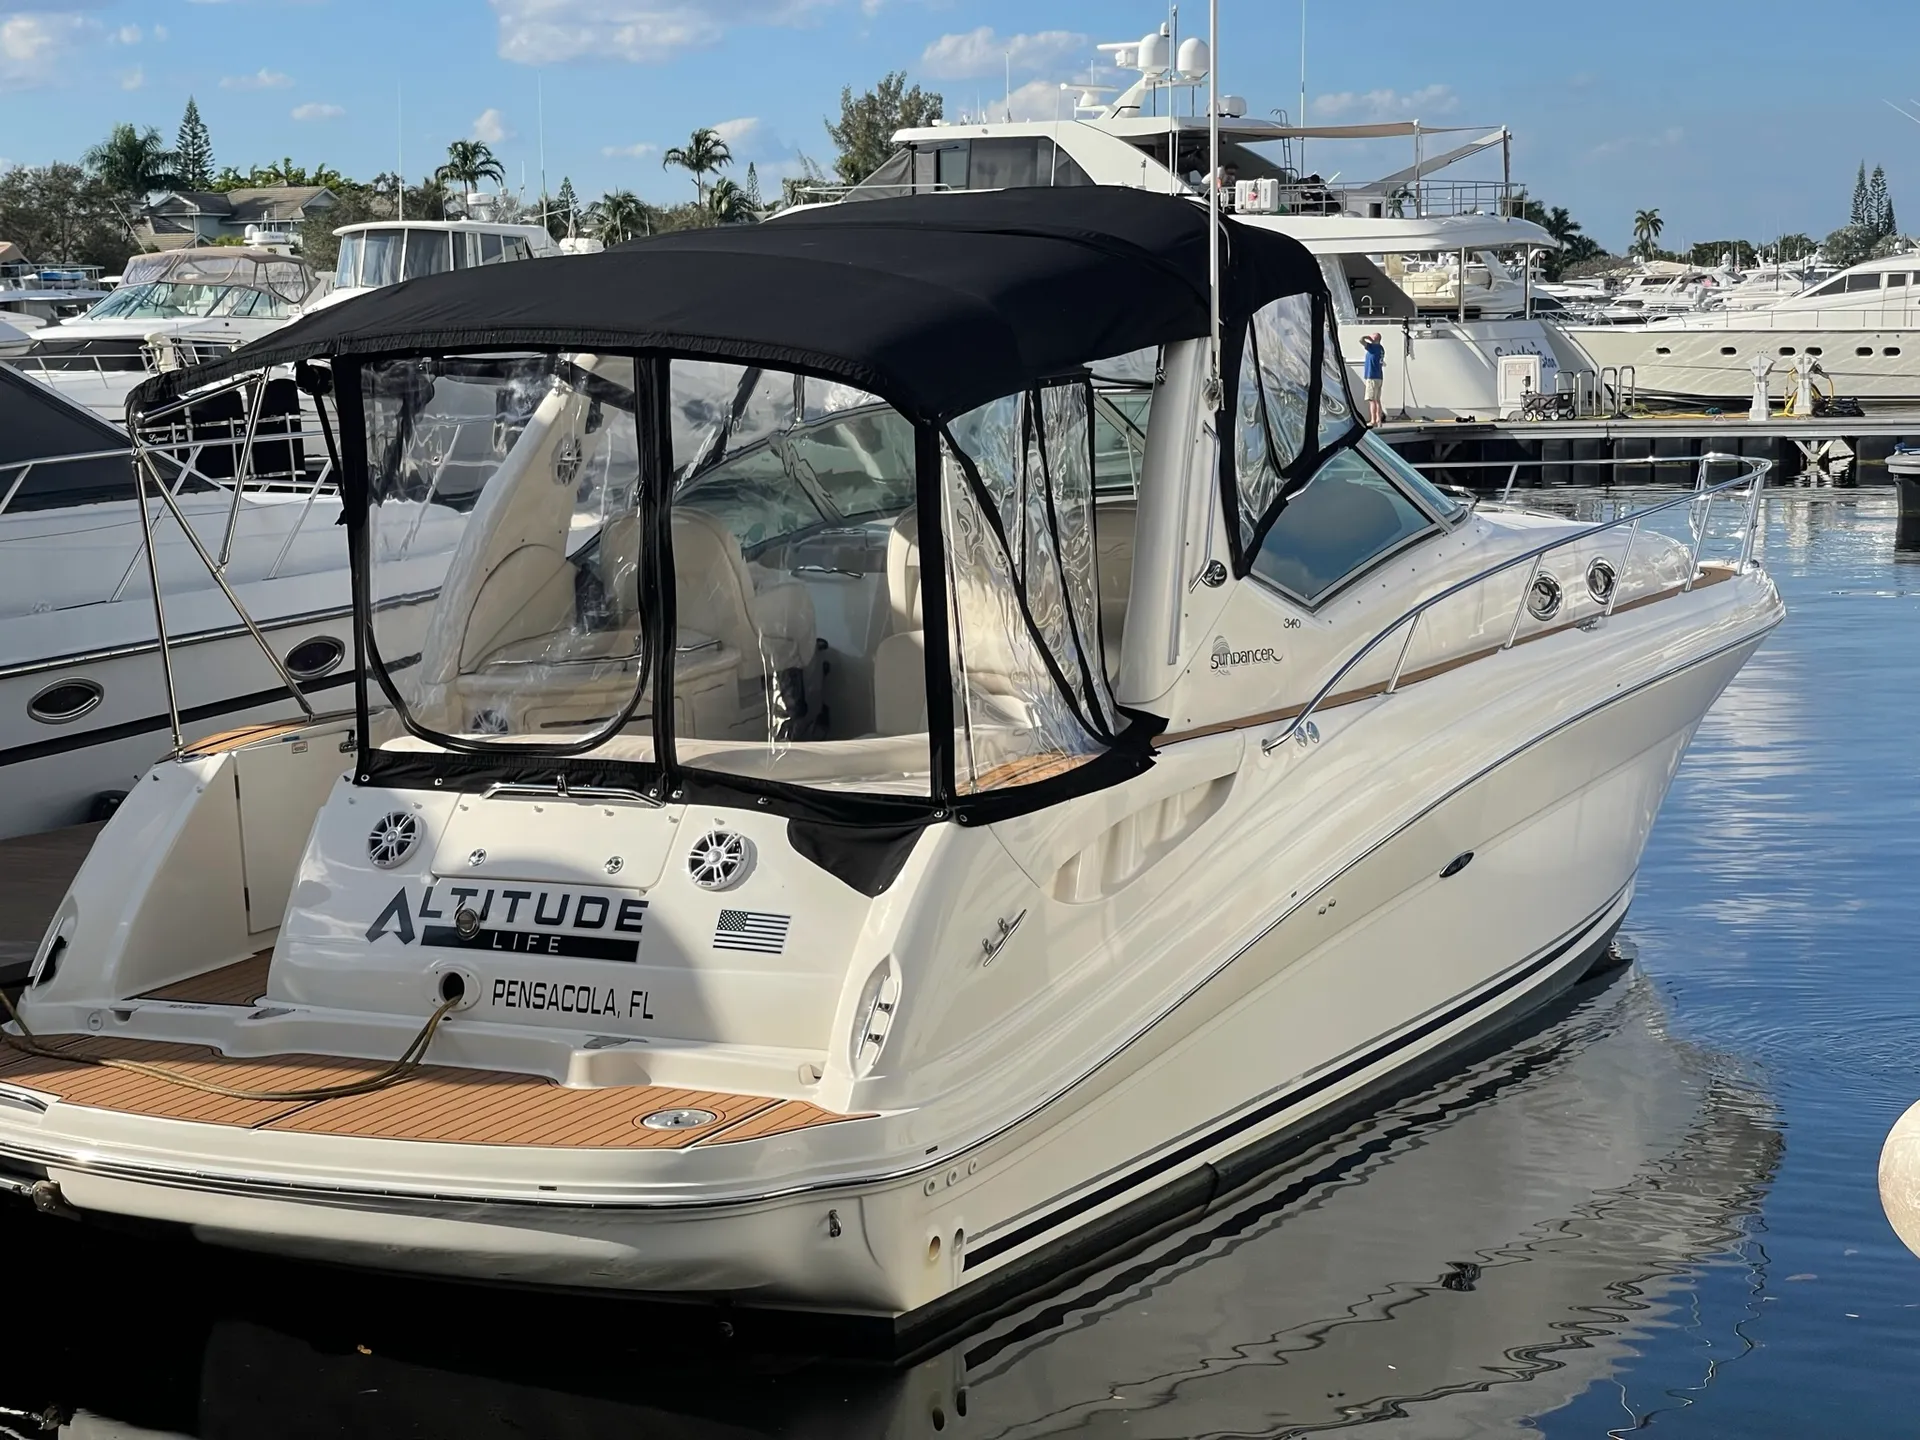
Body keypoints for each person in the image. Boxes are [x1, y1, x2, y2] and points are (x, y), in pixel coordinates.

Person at [1361, 332, 1386, 426]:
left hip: (1371, 376)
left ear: (1374, 339)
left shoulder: (1372, 348)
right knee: (1377, 400)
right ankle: (1379, 420)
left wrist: (1366, 337)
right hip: (1379, 376)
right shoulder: (1380, 348)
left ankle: (1373, 420)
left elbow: (1361, 340)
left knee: (1371, 400)